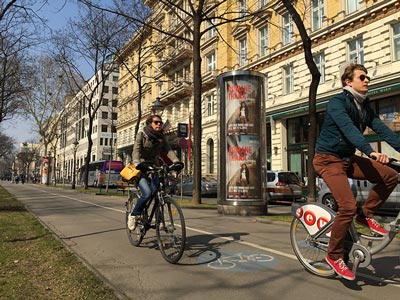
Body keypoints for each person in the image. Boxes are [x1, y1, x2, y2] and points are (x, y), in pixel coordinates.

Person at [313, 63, 400, 281]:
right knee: (347, 206)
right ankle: (333, 256)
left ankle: (366, 214)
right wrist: (370, 151)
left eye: (367, 77)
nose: (367, 80)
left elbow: (382, 130)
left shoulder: (364, 108)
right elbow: (349, 130)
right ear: (348, 82)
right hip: (327, 160)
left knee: (390, 175)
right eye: (362, 77)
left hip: (346, 159)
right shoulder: (337, 103)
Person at [127, 115, 181, 230]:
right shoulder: (142, 134)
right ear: (149, 123)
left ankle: (160, 220)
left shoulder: (161, 137)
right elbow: (136, 150)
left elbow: (168, 150)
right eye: (156, 122)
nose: (159, 125)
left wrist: (176, 161)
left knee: (158, 192)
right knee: (146, 193)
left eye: (160, 123)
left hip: (154, 166)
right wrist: (137, 162)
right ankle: (134, 215)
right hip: (141, 167)